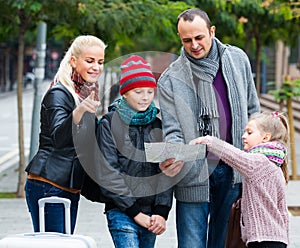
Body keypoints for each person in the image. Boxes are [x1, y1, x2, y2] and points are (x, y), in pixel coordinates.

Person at [157, 8, 261, 248]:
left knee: (225, 243)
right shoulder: (170, 79)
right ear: (179, 38)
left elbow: (253, 111)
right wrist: (172, 153)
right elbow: (172, 130)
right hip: (194, 174)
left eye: (199, 37)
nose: (194, 45)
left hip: (234, 170)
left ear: (211, 31)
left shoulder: (238, 59)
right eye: (186, 40)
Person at [88, 55, 173, 248]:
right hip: (121, 211)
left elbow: (165, 171)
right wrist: (135, 212)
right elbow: (108, 173)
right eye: (138, 92)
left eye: (150, 92)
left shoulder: (157, 125)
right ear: (125, 93)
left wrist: (161, 211)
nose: (145, 97)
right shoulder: (110, 124)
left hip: (152, 214)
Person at [24, 35, 106, 234]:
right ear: (73, 61)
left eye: (100, 62)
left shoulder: (83, 94)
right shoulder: (59, 93)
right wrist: (78, 113)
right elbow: (59, 140)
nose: (96, 67)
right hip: (50, 185)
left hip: (68, 186)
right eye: (90, 61)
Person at [189, 111, 289, 248]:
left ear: (266, 138)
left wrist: (208, 141)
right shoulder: (276, 167)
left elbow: (234, 156)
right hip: (278, 239)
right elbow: (283, 212)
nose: (243, 136)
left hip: (262, 240)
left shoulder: (259, 162)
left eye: (249, 132)